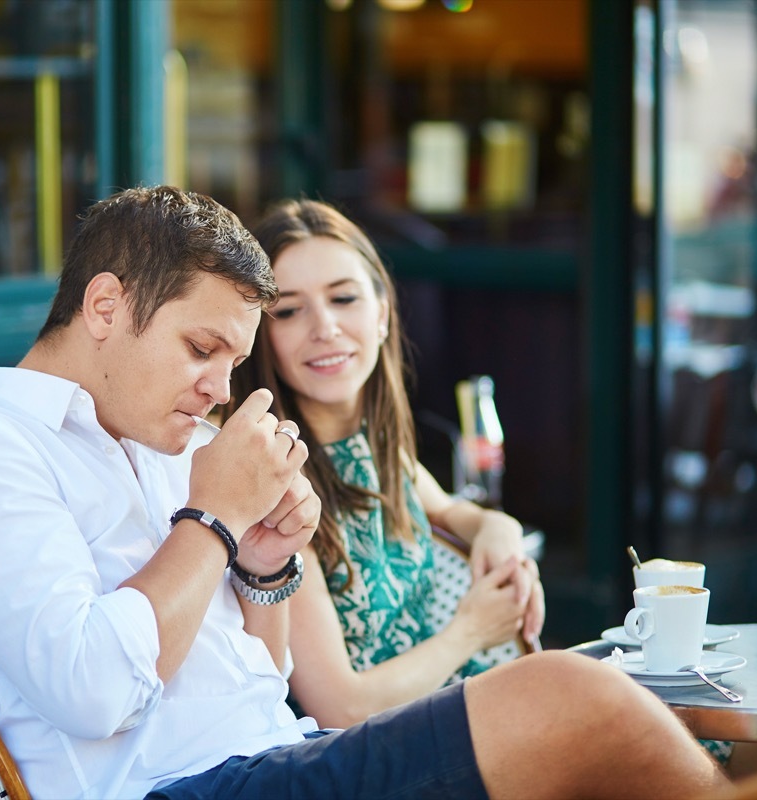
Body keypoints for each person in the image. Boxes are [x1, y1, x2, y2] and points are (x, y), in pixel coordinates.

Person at [0, 185, 728, 800]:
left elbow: (263, 670)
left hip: (277, 755)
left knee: (600, 731)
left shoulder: (151, 439)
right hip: (179, 789)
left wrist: (264, 567)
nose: (220, 387)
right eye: (202, 348)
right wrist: (210, 521)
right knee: (574, 701)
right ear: (106, 306)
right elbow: (92, 690)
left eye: (232, 360)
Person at [225, 198, 542, 727]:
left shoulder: (377, 447)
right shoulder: (276, 486)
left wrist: (497, 528)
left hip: (475, 710)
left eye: (343, 298)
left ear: (382, 315)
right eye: (289, 310)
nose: (324, 327)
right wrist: (472, 630)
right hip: (384, 754)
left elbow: (450, 510)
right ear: (262, 336)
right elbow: (340, 707)